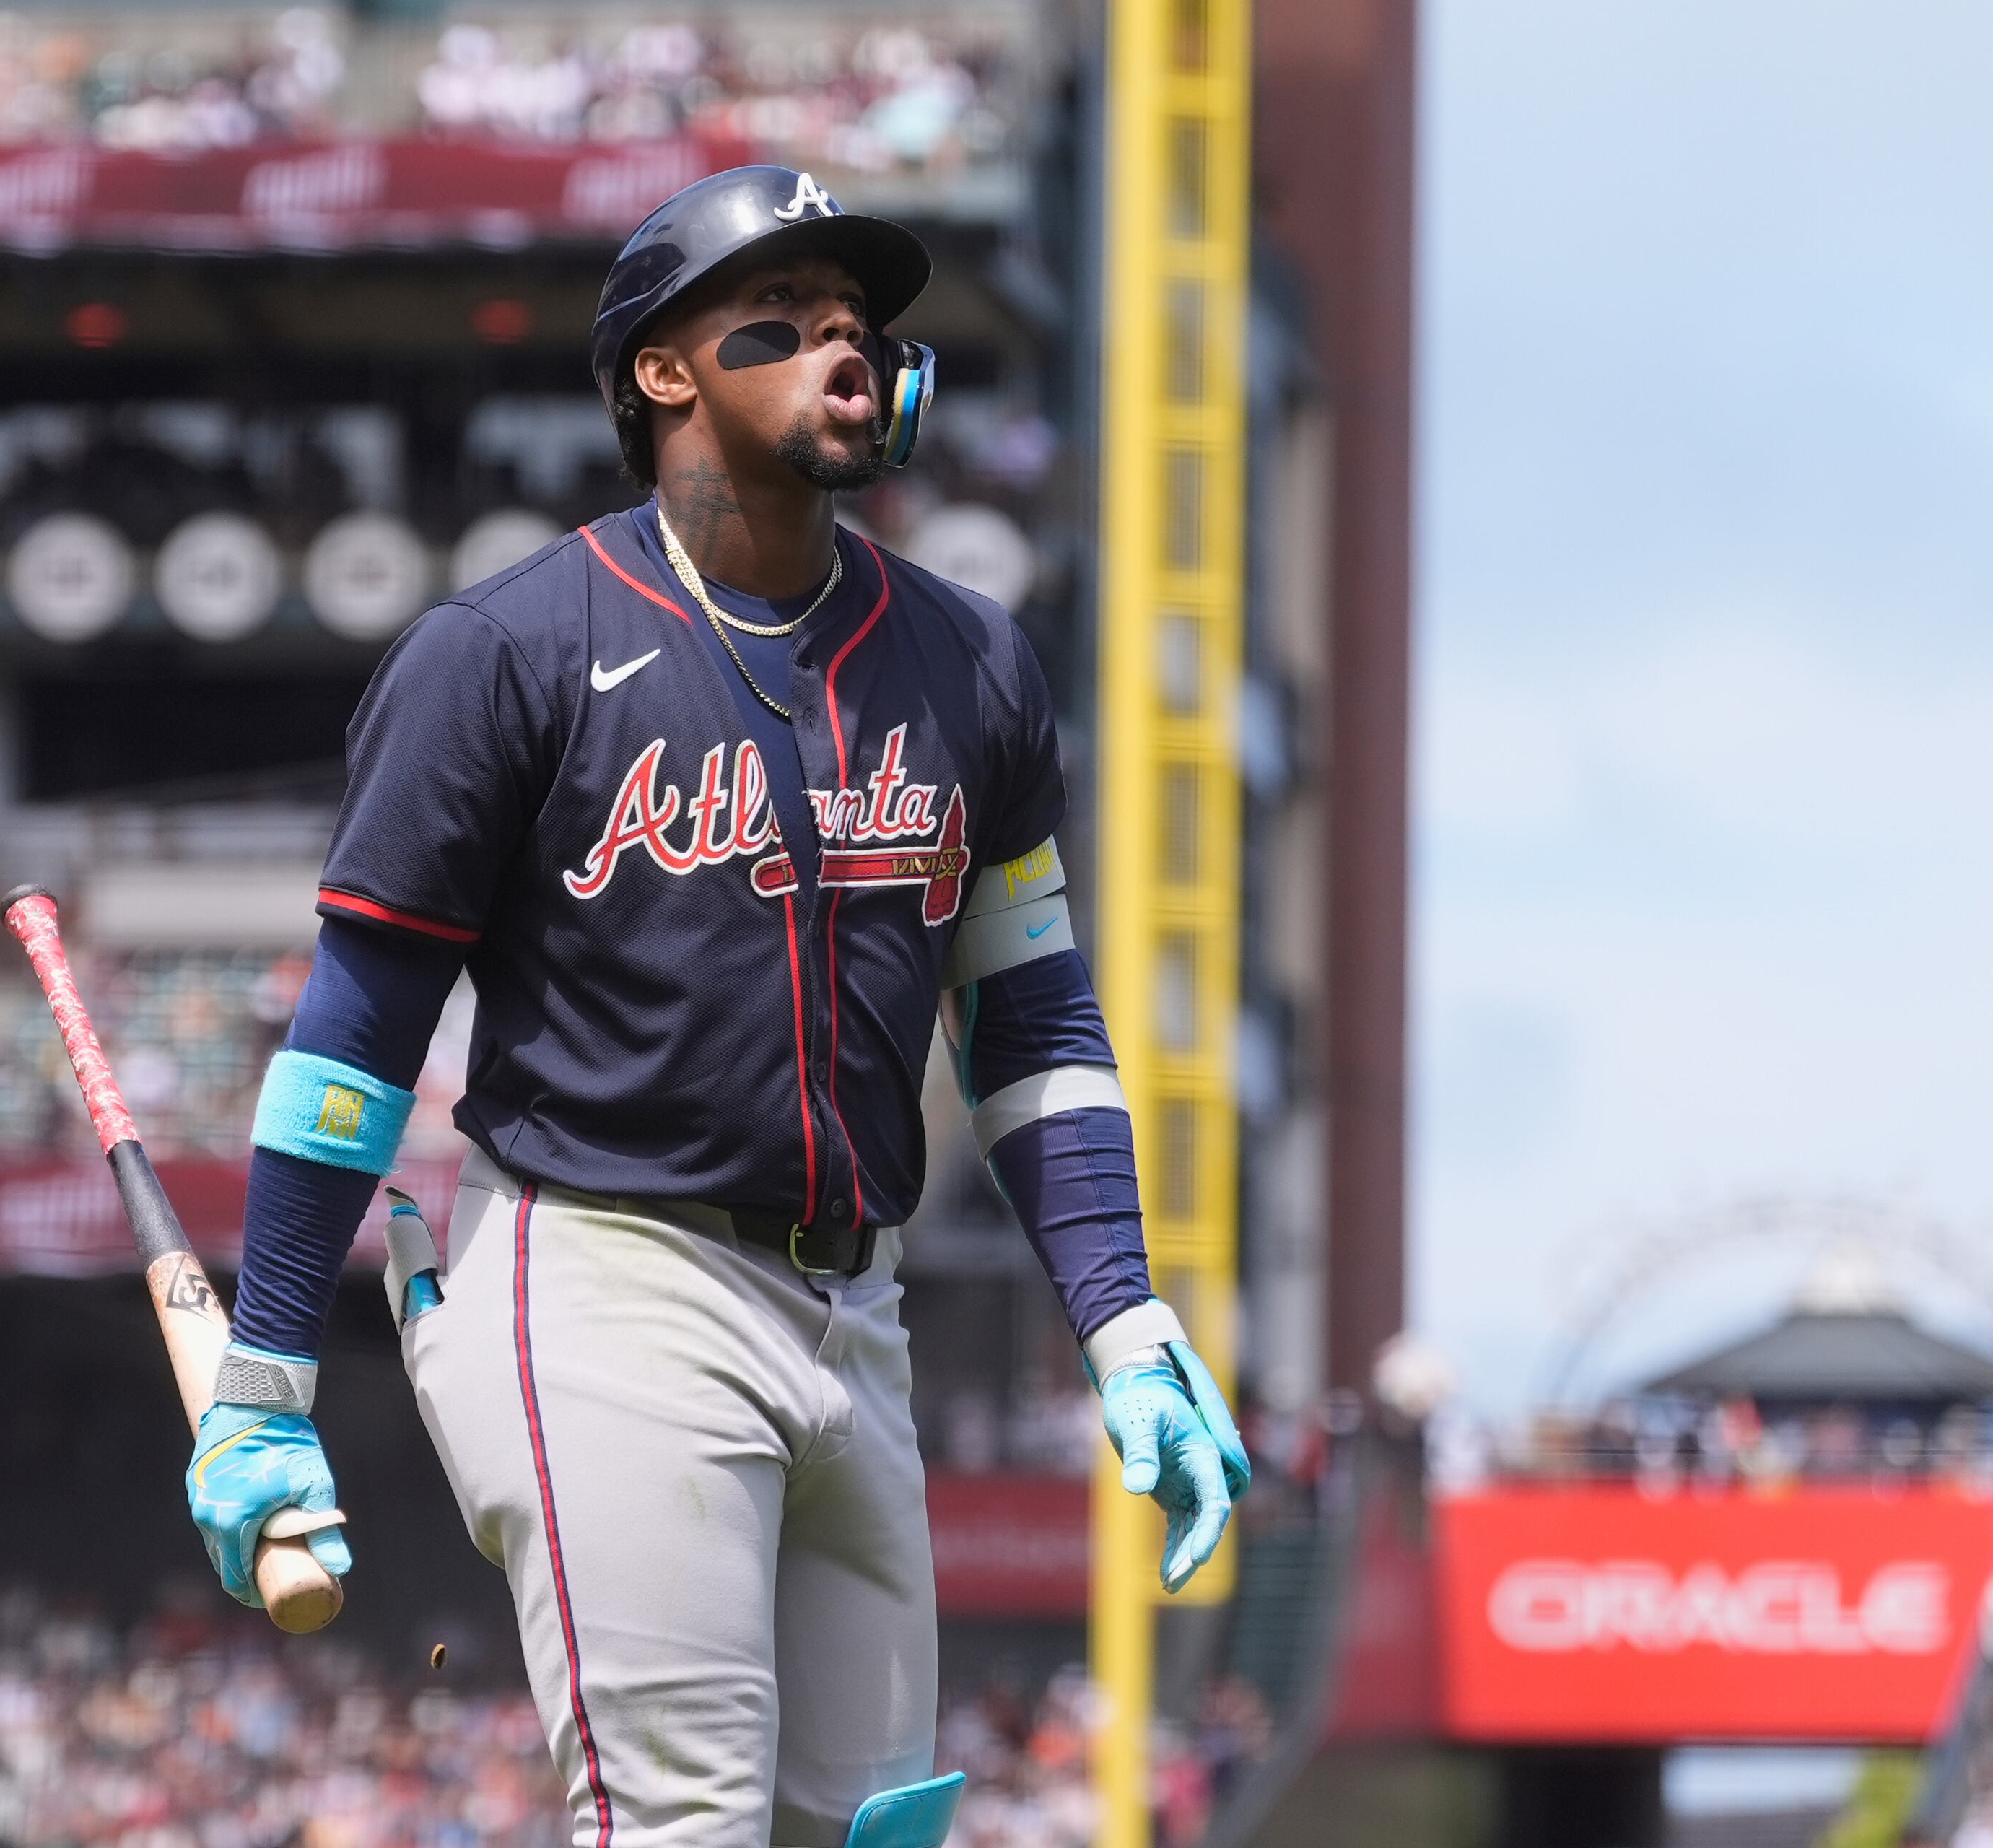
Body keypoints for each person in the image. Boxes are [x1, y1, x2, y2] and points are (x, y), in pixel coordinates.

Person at [183, 165, 1251, 1848]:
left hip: (859, 1312)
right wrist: (265, 1376)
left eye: (862, 325)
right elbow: (356, 1034)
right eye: (789, 317)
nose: (846, 346)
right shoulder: (506, 651)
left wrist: (1122, 1319)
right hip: (613, 1280)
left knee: (872, 1834)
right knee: (681, 1825)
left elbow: (1034, 1026)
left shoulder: (973, 665)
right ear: (664, 371)